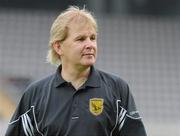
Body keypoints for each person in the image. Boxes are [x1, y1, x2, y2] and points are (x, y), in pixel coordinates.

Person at [6, 6, 147, 136]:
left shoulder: (117, 89)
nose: (90, 45)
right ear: (58, 47)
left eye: (92, 38)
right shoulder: (35, 94)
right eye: (80, 39)